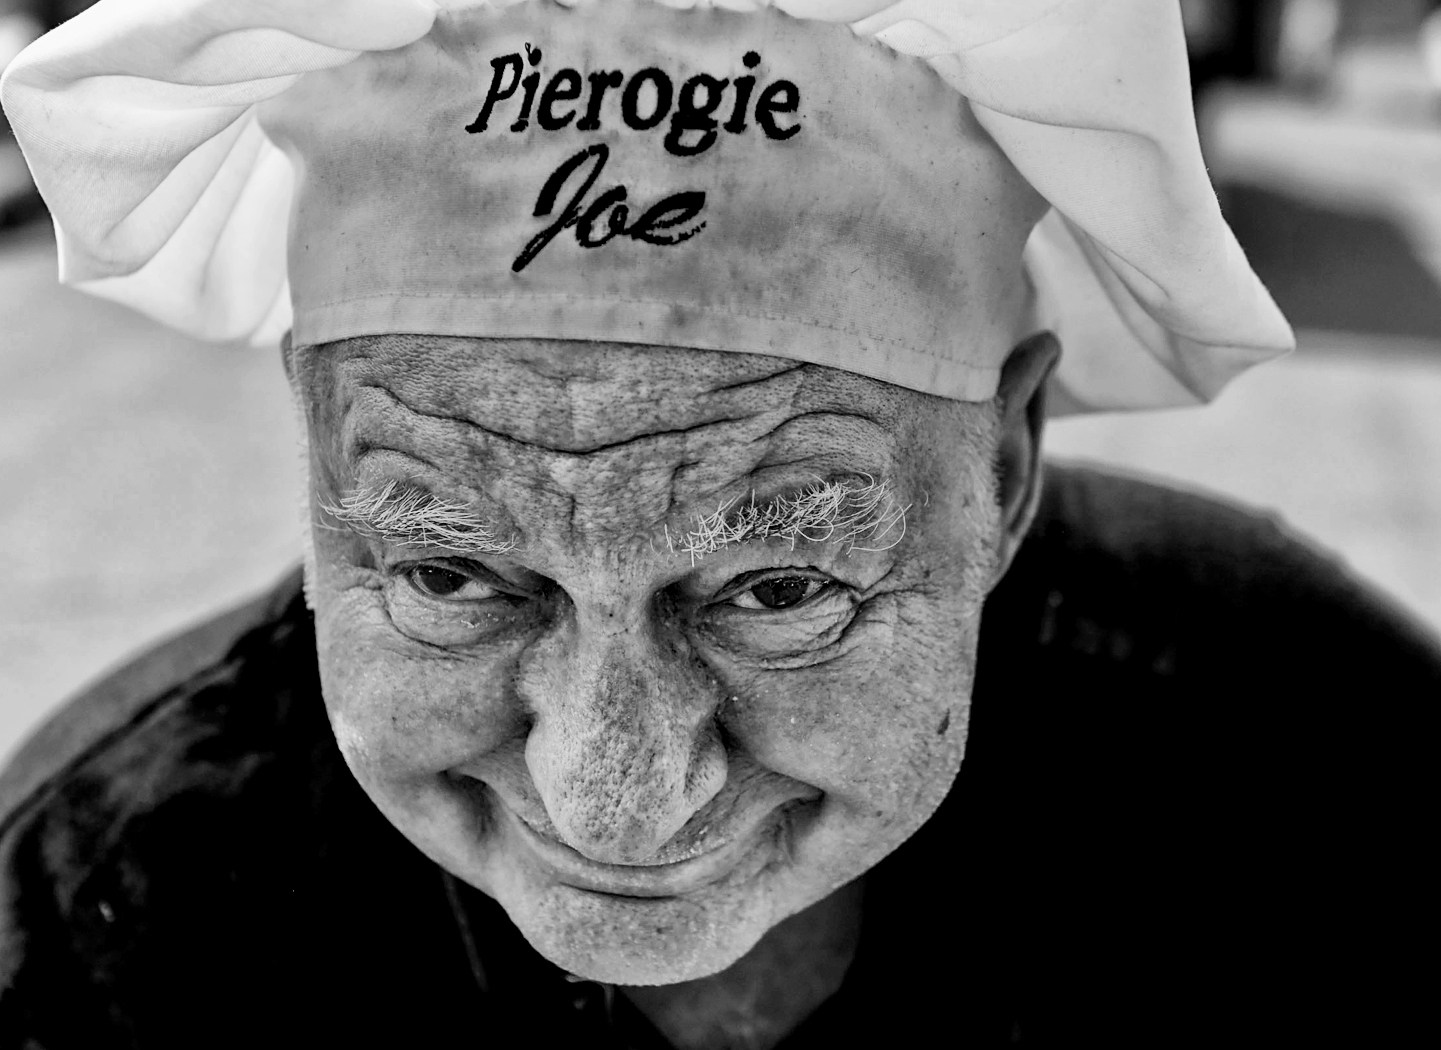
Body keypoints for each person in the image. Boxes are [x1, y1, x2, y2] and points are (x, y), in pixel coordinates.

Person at [0, 2, 1434, 1046]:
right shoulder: (110, 910)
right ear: (319, 458)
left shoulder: (1313, 761)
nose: (613, 798)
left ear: (1000, 473)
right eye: (449, 571)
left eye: (778, 585)